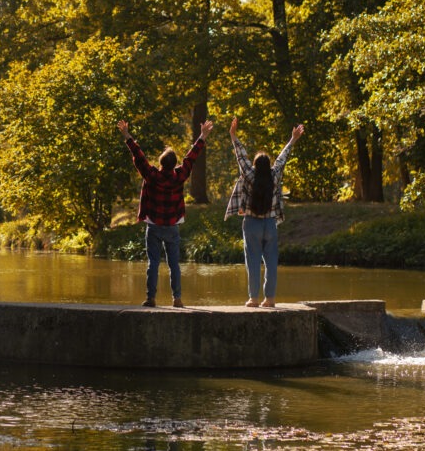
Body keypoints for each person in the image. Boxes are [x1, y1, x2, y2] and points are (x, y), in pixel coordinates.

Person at [118, 118, 213, 308]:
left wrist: (127, 136)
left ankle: (151, 298)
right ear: (174, 164)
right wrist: (202, 135)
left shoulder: (153, 176)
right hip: (172, 226)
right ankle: (177, 298)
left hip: (154, 225)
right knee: (174, 265)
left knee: (153, 263)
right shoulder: (180, 175)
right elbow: (191, 157)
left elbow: (139, 157)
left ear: (161, 163)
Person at [225, 117, 304, 308]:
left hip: (251, 222)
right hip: (270, 223)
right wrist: (292, 140)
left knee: (252, 261)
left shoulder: (250, 175)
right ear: (268, 165)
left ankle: (253, 298)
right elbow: (282, 159)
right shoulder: (275, 175)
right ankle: (270, 299)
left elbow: (241, 157)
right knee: (271, 262)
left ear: (255, 165)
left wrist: (233, 136)